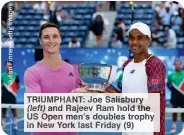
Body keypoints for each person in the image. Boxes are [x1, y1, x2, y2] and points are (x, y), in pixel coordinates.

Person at [24, 22, 88, 135]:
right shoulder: (32, 72)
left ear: (60, 39)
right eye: (46, 37)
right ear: (40, 41)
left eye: (55, 36)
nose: (51, 41)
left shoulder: (73, 70)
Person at [122, 22, 166, 135]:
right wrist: (104, 89)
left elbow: (153, 102)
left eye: (140, 38)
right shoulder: (126, 65)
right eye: (131, 38)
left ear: (149, 41)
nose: (134, 42)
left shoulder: (154, 64)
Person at [167, 60, 184, 133]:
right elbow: (168, 84)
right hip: (174, 97)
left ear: (181, 65)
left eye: (179, 64)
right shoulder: (171, 75)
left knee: (183, 112)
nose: (178, 66)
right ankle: (174, 127)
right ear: (174, 65)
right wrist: (173, 90)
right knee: (174, 112)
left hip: (183, 97)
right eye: (176, 64)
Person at [1, 61, 20, 129]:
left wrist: (13, 90)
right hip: (4, 97)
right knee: (3, 111)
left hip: (12, 96)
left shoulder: (15, 74)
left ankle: (15, 125)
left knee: (14, 111)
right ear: (5, 66)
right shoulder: (2, 75)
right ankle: (3, 125)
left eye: (10, 66)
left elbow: (18, 85)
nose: (9, 67)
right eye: (7, 65)